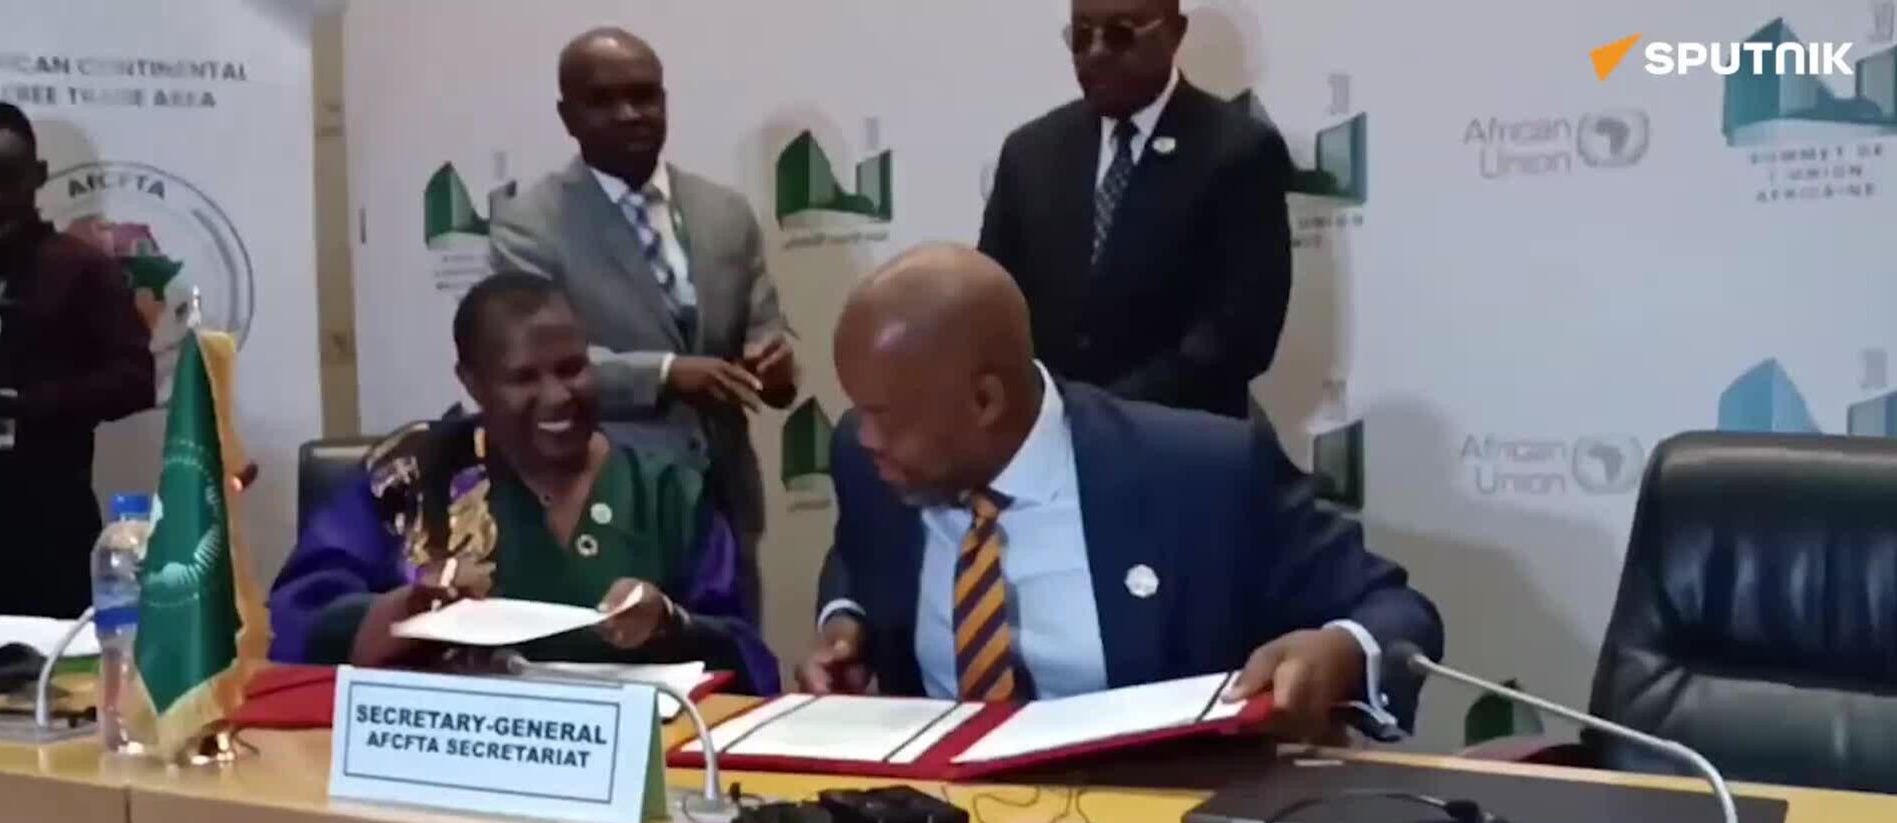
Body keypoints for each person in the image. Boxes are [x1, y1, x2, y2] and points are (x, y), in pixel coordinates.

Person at [800, 246, 1440, 740]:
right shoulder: (870, 463)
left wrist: (1341, 652)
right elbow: (858, 555)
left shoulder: (1200, 474)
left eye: (887, 416)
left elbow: (1394, 609)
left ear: (986, 401)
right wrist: (846, 623)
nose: (866, 436)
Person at [268, 273, 777, 693]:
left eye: (572, 369)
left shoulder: (668, 491)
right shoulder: (411, 477)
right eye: (524, 378)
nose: (557, 396)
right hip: (443, 756)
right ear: (472, 382)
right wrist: (399, 614)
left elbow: (747, 658)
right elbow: (293, 621)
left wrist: (671, 625)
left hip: (640, 761)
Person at [491, 26, 797, 627]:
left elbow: (765, 327)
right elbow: (531, 371)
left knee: (733, 660)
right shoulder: (529, 226)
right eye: (603, 100)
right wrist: (665, 374)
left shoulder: (724, 212)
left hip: (725, 498)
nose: (630, 113)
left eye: (644, 95)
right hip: (612, 504)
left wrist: (775, 361)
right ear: (567, 117)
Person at [978, 0, 1293, 420]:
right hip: (1047, 435)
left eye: (1120, 34)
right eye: (1081, 36)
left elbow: (1239, 333)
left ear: (1175, 33)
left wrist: (1101, 415)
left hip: (1176, 438)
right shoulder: (1030, 152)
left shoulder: (1240, 151)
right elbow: (993, 304)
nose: (1095, 52)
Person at [0, 100, 153, 621]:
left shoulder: (81, 270)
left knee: (55, 666)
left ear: (38, 176)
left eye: (6, 179)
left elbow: (135, 380)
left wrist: (26, 403)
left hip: (47, 522)